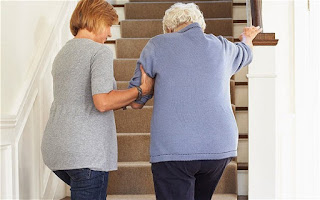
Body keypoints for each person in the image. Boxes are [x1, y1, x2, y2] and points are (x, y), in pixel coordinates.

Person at [128, 3, 262, 200]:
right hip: (219, 148)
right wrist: (247, 37)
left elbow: (136, 102)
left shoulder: (158, 44)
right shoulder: (223, 46)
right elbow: (246, 52)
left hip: (174, 150)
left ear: (168, 29)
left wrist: (146, 89)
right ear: (201, 26)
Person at [41, 0, 154, 199]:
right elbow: (102, 102)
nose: (110, 33)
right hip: (86, 154)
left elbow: (84, 98)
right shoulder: (99, 52)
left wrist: (125, 100)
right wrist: (140, 90)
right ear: (97, 20)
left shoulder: (63, 53)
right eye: (109, 25)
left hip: (57, 150)